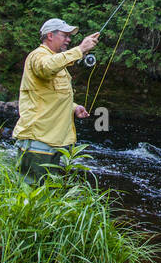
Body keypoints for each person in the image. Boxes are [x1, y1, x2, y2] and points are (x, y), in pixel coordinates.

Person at [12, 18, 100, 184]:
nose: (69, 39)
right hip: (37, 141)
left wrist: (74, 107)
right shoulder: (37, 56)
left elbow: (50, 95)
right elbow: (47, 68)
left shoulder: (57, 61)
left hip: (52, 142)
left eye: (69, 36)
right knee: (30, 195)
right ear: (50, 35)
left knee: (46, 197)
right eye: (65, 35)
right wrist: (80, 49)